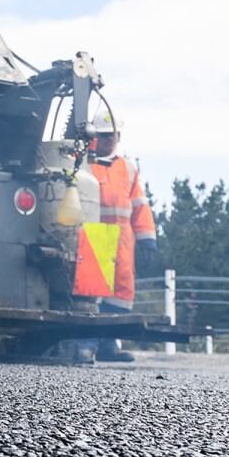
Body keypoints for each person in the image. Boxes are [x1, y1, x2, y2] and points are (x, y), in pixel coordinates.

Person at [88, 109, 157, 362]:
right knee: (92, 294)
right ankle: (88, 345)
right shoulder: (83, 163)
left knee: (121, 293)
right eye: (104, 135)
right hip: (93, 238)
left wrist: (147, 238)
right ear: (92, 136)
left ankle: (108, 346)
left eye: (113, 135)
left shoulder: (127, 167)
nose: (109, 140)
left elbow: (140, 205)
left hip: (122, 241)